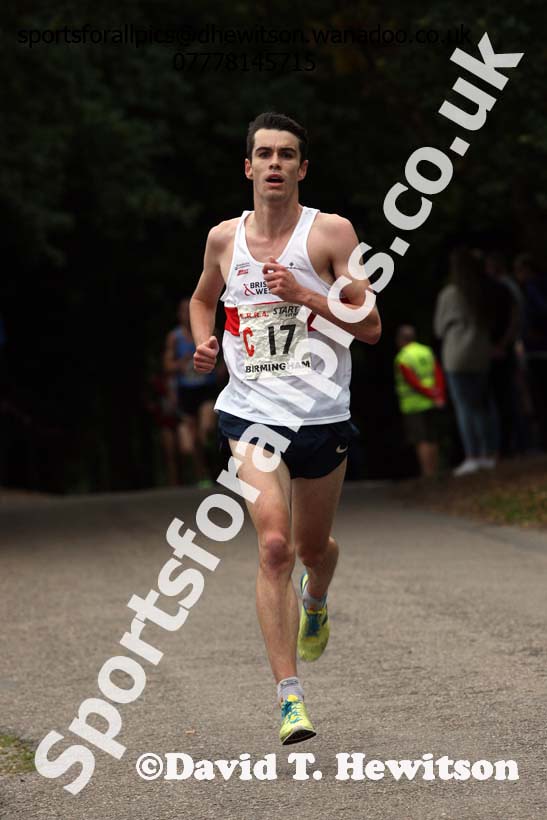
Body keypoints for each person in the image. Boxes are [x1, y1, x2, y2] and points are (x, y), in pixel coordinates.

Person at [189, 112, 381, 744]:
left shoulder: (330, 233)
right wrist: (203, 342)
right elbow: (201, 299)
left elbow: (371, 326)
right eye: (264, 154)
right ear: (248, 167)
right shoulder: (224, 239)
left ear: (303, 168)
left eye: (287, 155)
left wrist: (307, 295)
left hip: (322, 418)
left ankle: (317, 596)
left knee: (311, 550)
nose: (275, 164)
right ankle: (290, 700)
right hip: (251, 415)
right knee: (273, 545)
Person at [433, 248, 498, 476]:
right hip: (481, 351)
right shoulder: (482, 291)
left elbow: (439, 328)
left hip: (457, 353)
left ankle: (472, 455)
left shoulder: (450, 293)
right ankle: (489, 453)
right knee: (482, 404)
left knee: (464, 407)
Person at [163, 299, 218, 487]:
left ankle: (214, 456)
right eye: (184, 311)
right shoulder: (175, 337)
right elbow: (167, 366)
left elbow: (227, 355)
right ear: (179, 315)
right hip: (186, 390)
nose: (188, 315)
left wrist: (221, 370)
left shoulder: (209, 330)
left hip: (206, 389)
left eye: (190, 310)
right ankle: (203, 474)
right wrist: (181, 363)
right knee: (192, 441)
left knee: (207, 430)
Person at [394, 325, 446, 477]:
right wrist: (438, 395)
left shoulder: (403, 357)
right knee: (432, 437)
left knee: (421, 439)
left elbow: (412, 382)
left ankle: (427, 473)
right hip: (432, 402)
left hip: (414, 405)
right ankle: (435, 472)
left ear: (400, 340)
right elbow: (438, 373)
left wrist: (428, 393)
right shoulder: (426, 351)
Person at [514, 252, 547, 451]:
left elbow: (540, 313)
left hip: (538, 349)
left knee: (539, 397)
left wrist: (531, 333)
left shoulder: (532, 288)